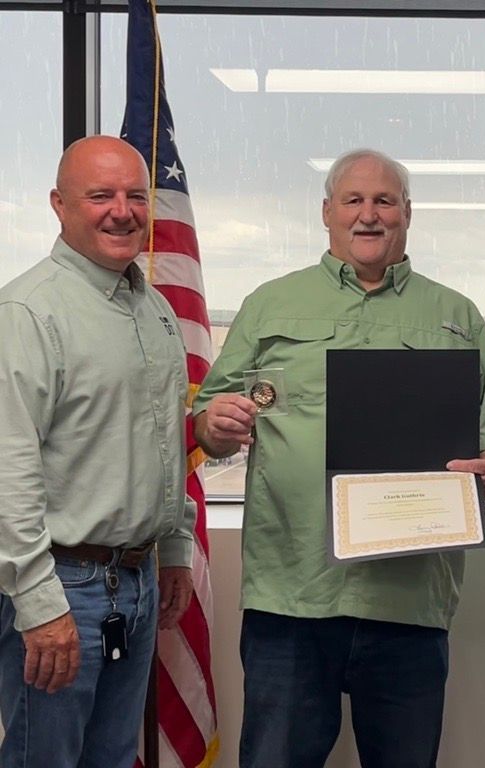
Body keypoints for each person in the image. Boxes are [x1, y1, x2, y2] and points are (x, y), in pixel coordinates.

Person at [193, 148, 485, 768]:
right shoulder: (269, 304)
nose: (369, 216)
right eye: (354, 201)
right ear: (327, 212)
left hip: (409, 600)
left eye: (384, 201)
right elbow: (209, 422)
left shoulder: (455, 315)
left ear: (407, 214)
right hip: (291, 599)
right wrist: (217, 423)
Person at [0, 135, 195, 768]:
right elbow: (9, 471)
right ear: (59, 204)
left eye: (136, 195)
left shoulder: (155, 310)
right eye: (100, 195)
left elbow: (166, 440)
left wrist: (173, 551)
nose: (123, 210)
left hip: (135, 581)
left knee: (111, 759)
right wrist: (37, 602)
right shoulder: (29, 313)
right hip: (61, 588)